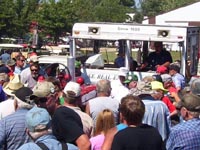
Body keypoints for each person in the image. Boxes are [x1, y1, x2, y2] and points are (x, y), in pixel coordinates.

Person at [31, 81, 91, 150]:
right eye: (36, 101)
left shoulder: (61, 114)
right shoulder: (55, 114)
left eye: (43, 100)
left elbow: (85, 144)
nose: (39, 104)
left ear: (56, 96)